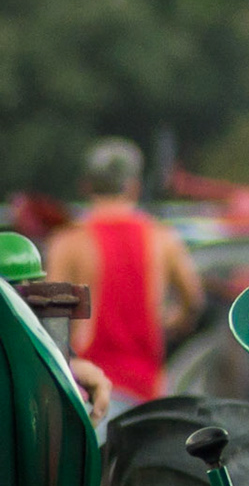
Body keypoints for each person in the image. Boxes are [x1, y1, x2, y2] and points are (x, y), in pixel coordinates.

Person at [45, 138, 204, 418]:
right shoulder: (162, 237)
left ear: (87, 185)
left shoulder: (69, 240)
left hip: (90, 388)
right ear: (134, 186)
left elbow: (49, 321)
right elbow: (193, 301)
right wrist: (172, 321)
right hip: (148, 390)